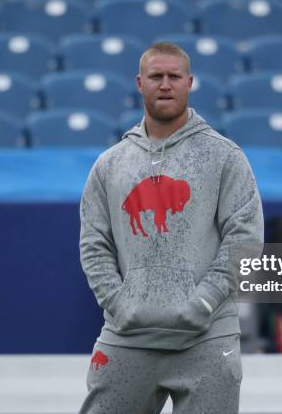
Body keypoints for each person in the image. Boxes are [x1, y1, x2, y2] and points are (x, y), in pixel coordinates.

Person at [79, 42, 264, 413]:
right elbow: (94, 243)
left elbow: (244, 238)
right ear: (139, 83)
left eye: (174, 76)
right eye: (156, 76)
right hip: (127, 337)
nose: (165, 84)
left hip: (208, 338)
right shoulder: (110, 164)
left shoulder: (224, 156)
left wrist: (204, 302)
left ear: (189, 82)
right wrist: (118, 303)